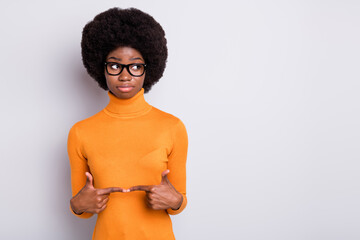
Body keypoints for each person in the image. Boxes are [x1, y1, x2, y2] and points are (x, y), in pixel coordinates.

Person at [67, 7, 188, 240]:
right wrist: (78, 205)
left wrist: (176, 201)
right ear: (101, 68)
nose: (125, 75)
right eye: (115, 65)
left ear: (147, 69)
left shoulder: (172, 127)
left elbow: (179, 201)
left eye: (135, 66)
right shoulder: (81, 132)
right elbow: (81, 210)